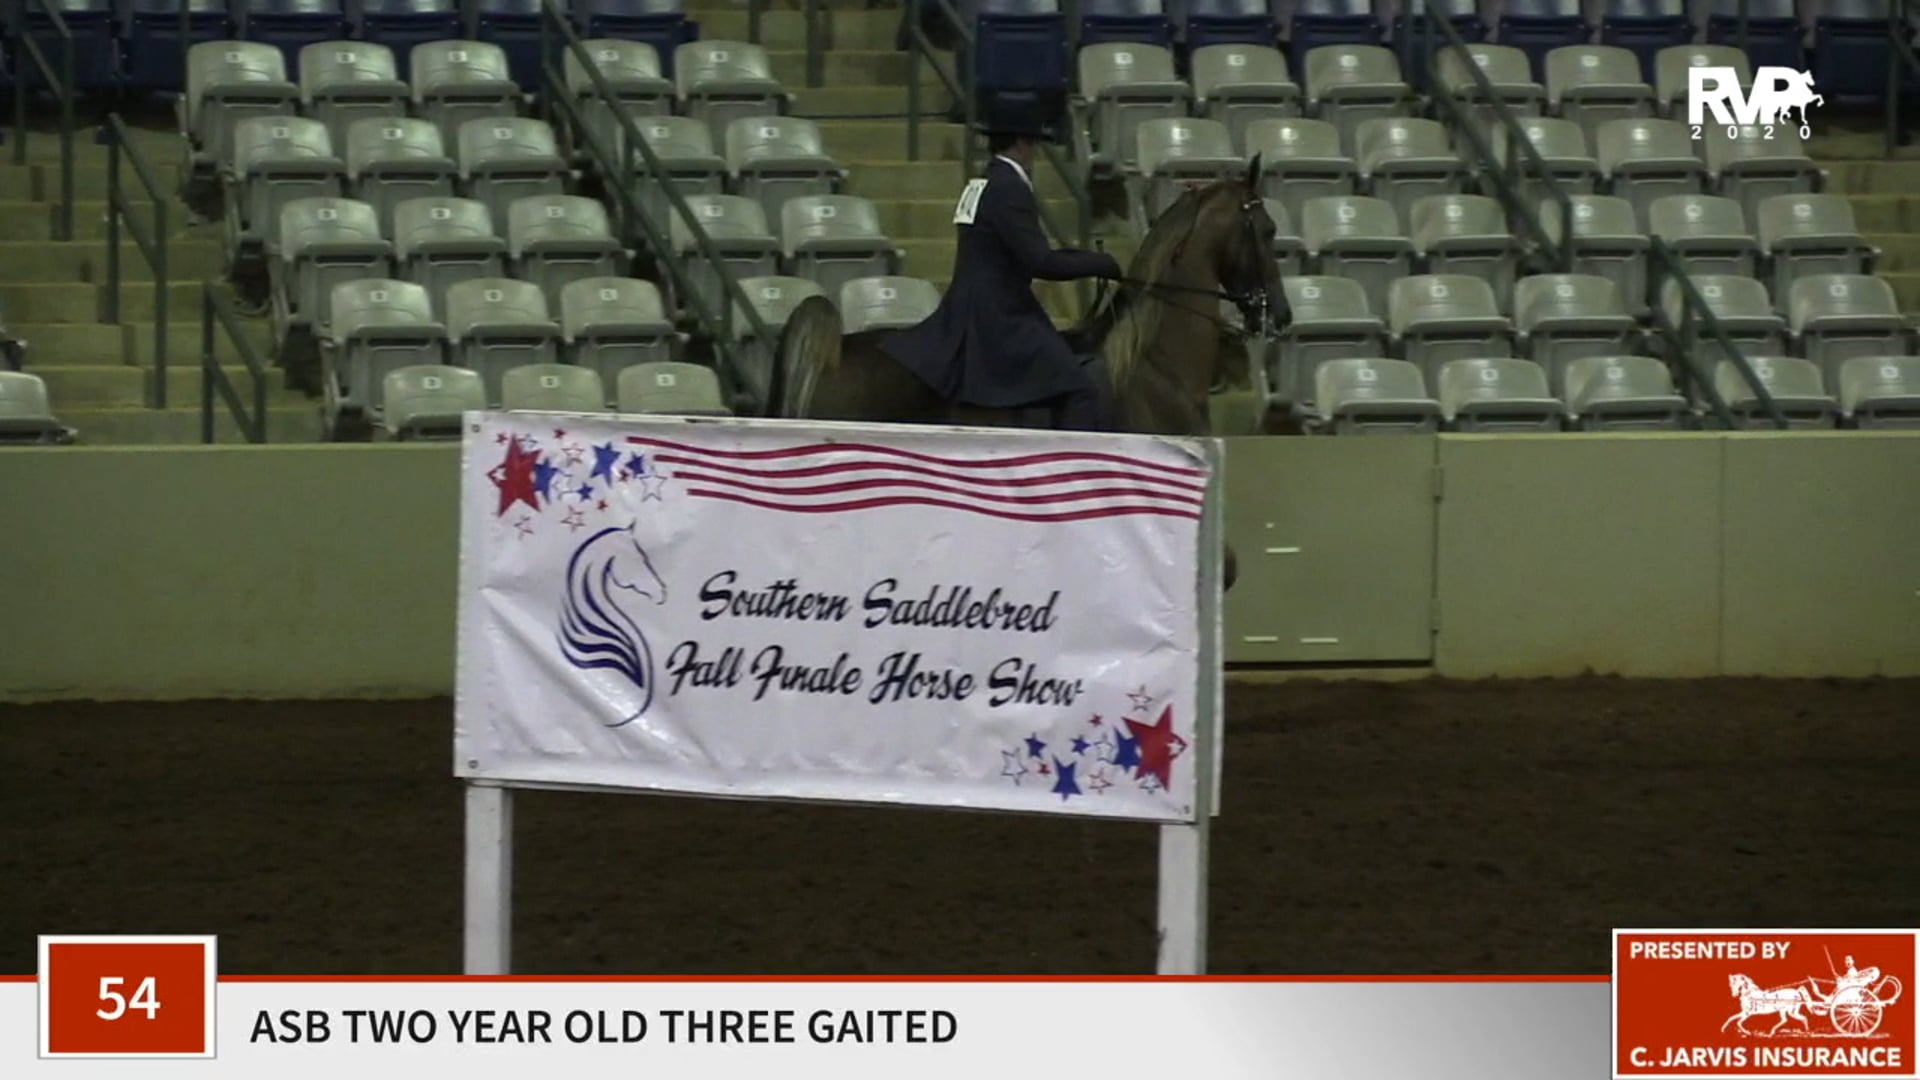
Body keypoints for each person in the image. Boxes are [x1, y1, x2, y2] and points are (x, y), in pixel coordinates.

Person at [881, 110, 1123, 431]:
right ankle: (1072, 460)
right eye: (1034, 143)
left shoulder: (981, 181)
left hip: (966, 304)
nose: (1036, 153)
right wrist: (1102, 263)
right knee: (1079, 389)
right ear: (1022, 143)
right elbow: (1041, 261)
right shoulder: (1010, 187)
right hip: (1000, 313)